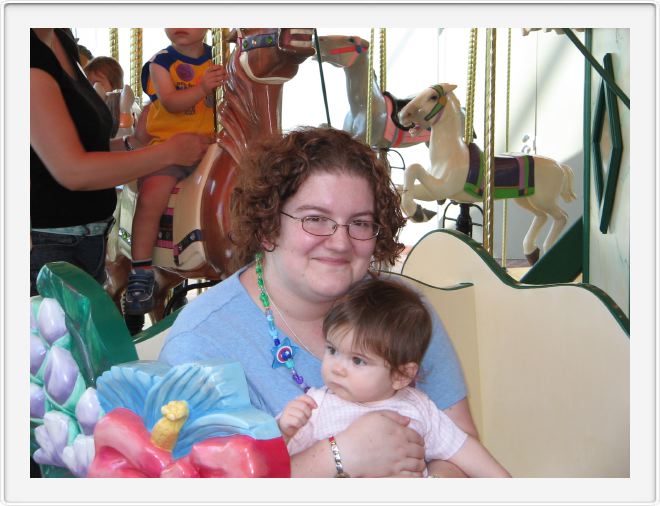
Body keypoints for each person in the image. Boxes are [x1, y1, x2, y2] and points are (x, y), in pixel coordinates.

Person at [159, 126, 478, 477]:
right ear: (268, 226)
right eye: (315, 219)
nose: (340, 242)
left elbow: (461, 452)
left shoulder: (401, 311)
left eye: (359, 223)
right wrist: (335, 458)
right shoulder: (203, 343)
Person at [30, 28, 212, 298]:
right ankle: (141, 269)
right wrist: (167, 153)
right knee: (151, 197)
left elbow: (84, 144)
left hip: (92, 239)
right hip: (48, 244)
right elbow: (71, 170)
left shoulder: (61, 39)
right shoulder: (24, 52)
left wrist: (133, 143)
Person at [278, 278, 511, 477]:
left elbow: (461, 449)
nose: (337, 368)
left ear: (401, 375)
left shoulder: (419, 407)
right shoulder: (316, 407)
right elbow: (276, 467)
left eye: (358, 360)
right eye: (332, 350)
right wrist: (283, 430)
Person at [124, 28, 227, 315]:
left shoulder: (218, 60)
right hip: (170, 149)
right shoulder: (162, 63)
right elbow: (170, 101)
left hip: (208, 149)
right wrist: (203, 88)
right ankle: (141, 270)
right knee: (151, 197)